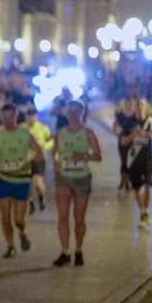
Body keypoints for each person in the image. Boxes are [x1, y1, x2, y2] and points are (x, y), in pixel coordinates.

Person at [0, 103, 44, 258]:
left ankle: (22, 232)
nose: (7, 120)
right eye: (4, 117)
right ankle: (10, 246)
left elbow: (39, 152)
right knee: (5, 217)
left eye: (10, 117)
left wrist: (30, 162)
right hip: (4, 179)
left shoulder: (25, 134)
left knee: (19, 219)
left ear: (16, 116)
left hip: (21, 180)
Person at [51, 101, 102, 266]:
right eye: (69, 111)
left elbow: (98, 156)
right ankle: (65, 251)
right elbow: (54, 153)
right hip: (63, 178)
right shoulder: (59, 133)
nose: (72, 115)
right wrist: (56, 167)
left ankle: (78, 250)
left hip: (82, 179)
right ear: (66, 113)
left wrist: (84, 156)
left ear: (81, 113)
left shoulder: (88, 133)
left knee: (79, 218)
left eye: (75, 112)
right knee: (62, 216)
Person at [123, 98, 152, 228]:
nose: (139, 107)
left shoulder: (151, 121)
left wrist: (151, 136)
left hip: (148, 156)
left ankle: (145, 210)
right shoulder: (130, 122)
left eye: (142, 104)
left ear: (146, 106)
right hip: (134, 158)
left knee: (148, 184)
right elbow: (123, 141)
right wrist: (133, 134)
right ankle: (143, 212)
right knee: (137, 186)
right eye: (138, 104)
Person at [21, 107, 53, 214]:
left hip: (38, 159)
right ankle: (31, 204)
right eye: (28, 117)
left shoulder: (43, 128)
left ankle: (41, 196)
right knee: (27, 183)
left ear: (36, 117)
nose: (30, 119)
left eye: (32, 116)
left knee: (38, 182)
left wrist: (45, 146)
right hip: (25, 160)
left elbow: (51, 140)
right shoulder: (21, 129)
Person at [114, 97, 138, 191]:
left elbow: (137, 129)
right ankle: (122, 181)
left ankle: (128, 181)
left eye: (130, 104)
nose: (128, 105)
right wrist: (119, 137)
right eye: (126, 104)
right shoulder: (120, 115)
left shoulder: (135, 116)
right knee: (123, 161)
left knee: (130, 162)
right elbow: (115, 126)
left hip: (132, 142)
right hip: (122, 140)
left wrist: (129, 138)